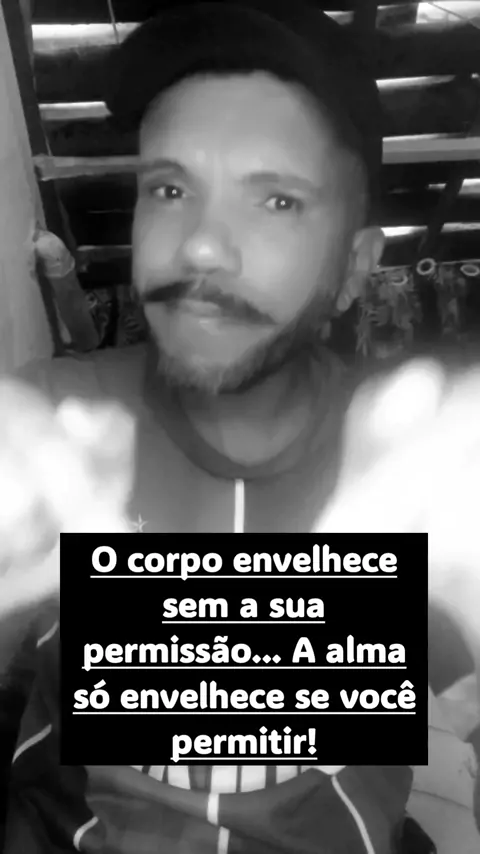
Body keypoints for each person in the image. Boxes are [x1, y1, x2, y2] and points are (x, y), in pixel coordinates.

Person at [0, 1, 478, 852]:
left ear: (354, 268)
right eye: (170, 189)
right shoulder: (47, 432)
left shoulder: (425, 470)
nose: (201, 248)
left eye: (278, 201)